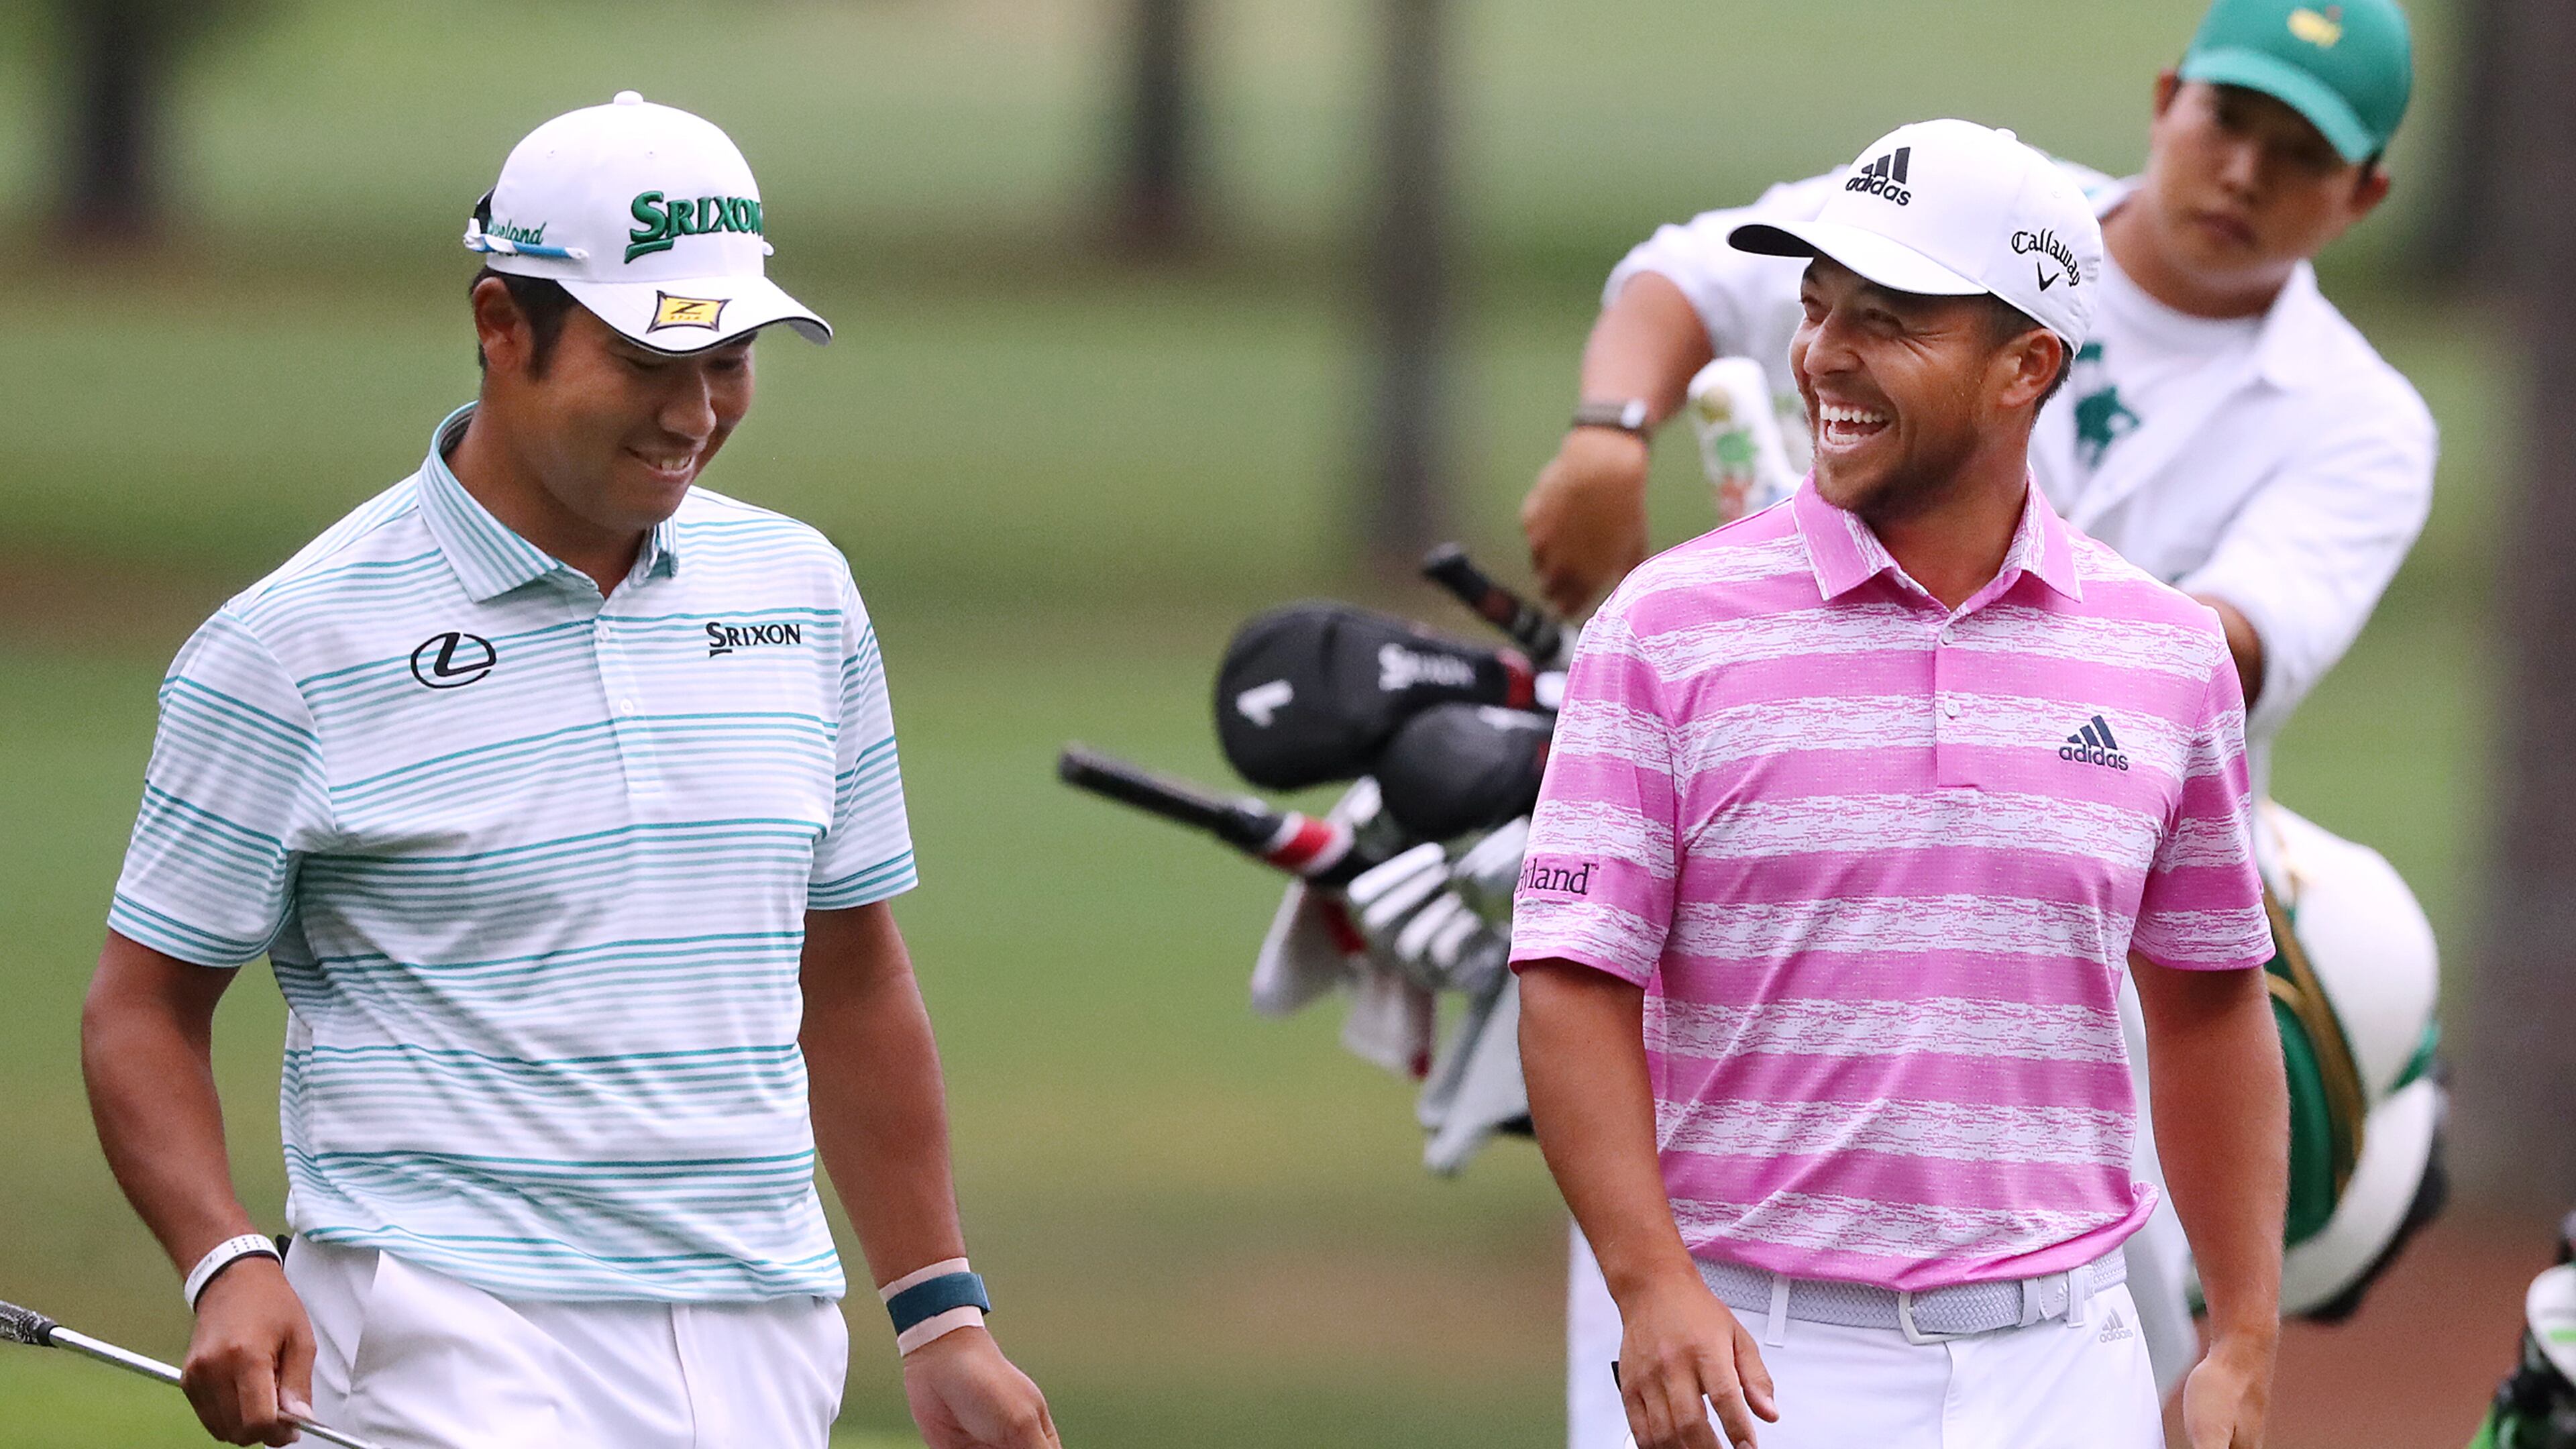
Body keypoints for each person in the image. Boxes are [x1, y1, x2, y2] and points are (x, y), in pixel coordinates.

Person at [79, 93, 1057, 1449]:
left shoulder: (801, 593)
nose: (697, 411)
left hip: (760, 1330)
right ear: (501, 325)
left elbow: (851, 977)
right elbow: (141, 1009)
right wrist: (223, 1254)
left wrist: (940, 1314)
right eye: (654, 358)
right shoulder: (292, 644)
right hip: (440, 1328)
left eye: (731, 359)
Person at [1521, 1, 2434, 1434]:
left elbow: (2206, 1000)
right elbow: (1571, 972)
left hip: (2064, 1355)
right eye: (1820, 308)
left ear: (2026, 372)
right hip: (1755, 1351)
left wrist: (2244, 1335)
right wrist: (1609, 437)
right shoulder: (1667, 627)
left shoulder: (2229, 577)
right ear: (2166, 99)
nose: (1822, 352)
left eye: (1883, 319)